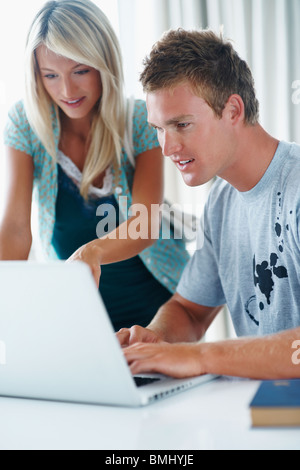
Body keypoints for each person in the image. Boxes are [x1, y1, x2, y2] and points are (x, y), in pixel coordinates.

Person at [117, 28, 300, 379]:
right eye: (158, 128)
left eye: (182, 125)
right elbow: (190, 311)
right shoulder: (221, 201)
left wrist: (200, 357)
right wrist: (155, 340)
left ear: (233, 110)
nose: (167, 148)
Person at [0, 0, 190, 332]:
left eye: (80, 71)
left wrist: (92, 251)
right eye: (50, 75)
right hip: (80, 322)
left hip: (159, 314)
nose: (67, 90)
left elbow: (145, 224)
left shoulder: (139, 121)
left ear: (104, 64)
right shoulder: (24, 124)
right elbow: (15, 231)